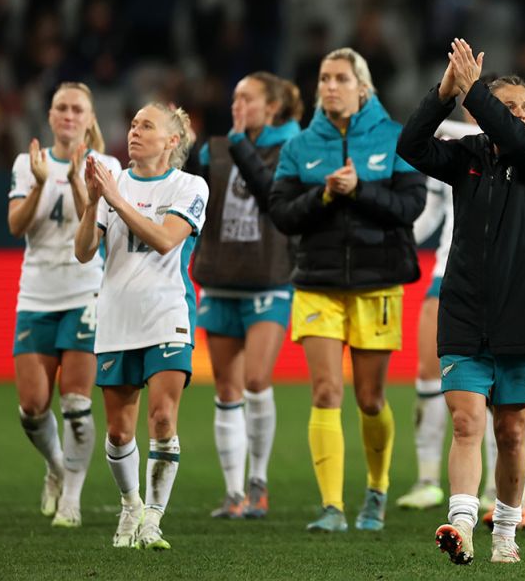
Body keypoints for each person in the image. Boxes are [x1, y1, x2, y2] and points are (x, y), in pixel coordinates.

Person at [398, 39, 525, 565]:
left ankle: (506, 534)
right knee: (467, 421)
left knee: (512, 430)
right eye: (509, 105)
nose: (519, 115)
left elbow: (513, 137)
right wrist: (446, 91)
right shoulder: (467, 157)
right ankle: (465, 525)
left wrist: (477, 94)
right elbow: (411, 144)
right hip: (466, 309)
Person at [268, 48, 425, 533]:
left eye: (340, 78)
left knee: (370, 398)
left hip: (378, 282)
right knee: (324, 390)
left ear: (363, 87)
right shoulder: (299, 145)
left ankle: (375, 492)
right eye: (324, 78)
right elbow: (281, 212)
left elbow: (411, 205)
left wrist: (359, 191)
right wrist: (324, 195)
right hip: (318, 282)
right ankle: (332, 507)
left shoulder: (395, 137)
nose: (330, 86)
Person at [73, 102, 208, 550]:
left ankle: (153, 518)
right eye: (132, 123)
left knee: (163, 418)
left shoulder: (189, 185)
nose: (134, 131)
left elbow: (167, 240)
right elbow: (83, 251)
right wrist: (94, 201)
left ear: (172, 141)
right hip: (115, 317)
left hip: (166, 314)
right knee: (118, 432)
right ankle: (130, 503)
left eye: (146, 125)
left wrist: (113, 199)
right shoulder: (115, 184)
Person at [7, 83, 119, 528]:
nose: (68, 115)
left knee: (75, 403)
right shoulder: (26, 164)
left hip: (84, 293)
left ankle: (71, 496)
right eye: (61, 108)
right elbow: (17, 226)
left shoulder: (107, 166)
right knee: (33, 406)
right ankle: (55, 465)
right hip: (35, 294)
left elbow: (94, 232)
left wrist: (77, 179)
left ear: (90, 118)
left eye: (77, 109)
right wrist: (38, 184)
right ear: (50, 116)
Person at [193, 72, 302, 519]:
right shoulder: (211, 151)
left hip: (270, 278)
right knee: (226, 388)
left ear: (271, 108)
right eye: (235, 96)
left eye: (248, 98)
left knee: (257, 379)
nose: (238, 104)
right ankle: (234, 491)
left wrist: (238, 142)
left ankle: (259, 481)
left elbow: (272, 196)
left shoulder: (293, 150)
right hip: (219, 278)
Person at [397, 111, 480, 512]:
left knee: (498, 386)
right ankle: (427, 479)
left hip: (504, 278)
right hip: (448, 269)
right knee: (429, 373)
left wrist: (445, 128)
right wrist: (393, 240)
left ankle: (497, 487)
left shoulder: (518, 144)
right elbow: (431, 211)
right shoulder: (451, 148)